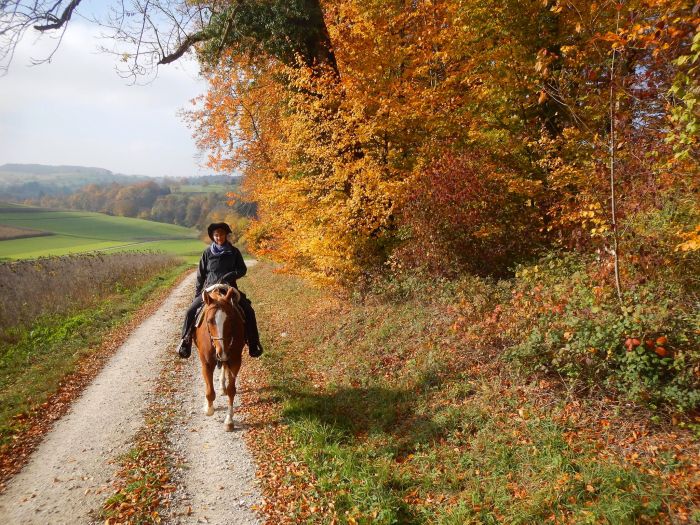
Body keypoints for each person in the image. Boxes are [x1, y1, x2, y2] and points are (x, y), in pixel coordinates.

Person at [176, 222, 264, 359]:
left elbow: (242, 269)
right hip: (210, 288)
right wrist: (198, 294)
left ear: (225, 235)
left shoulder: (234, 252)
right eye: (216, 235)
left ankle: (253, 343)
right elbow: (200, 275)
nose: (219, 237)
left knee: (248, 310)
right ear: (213, 237)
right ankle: (185, 341)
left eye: (221, 234)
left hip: (229, 288)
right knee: (190, 310)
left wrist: (230, 275)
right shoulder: (207, 253)